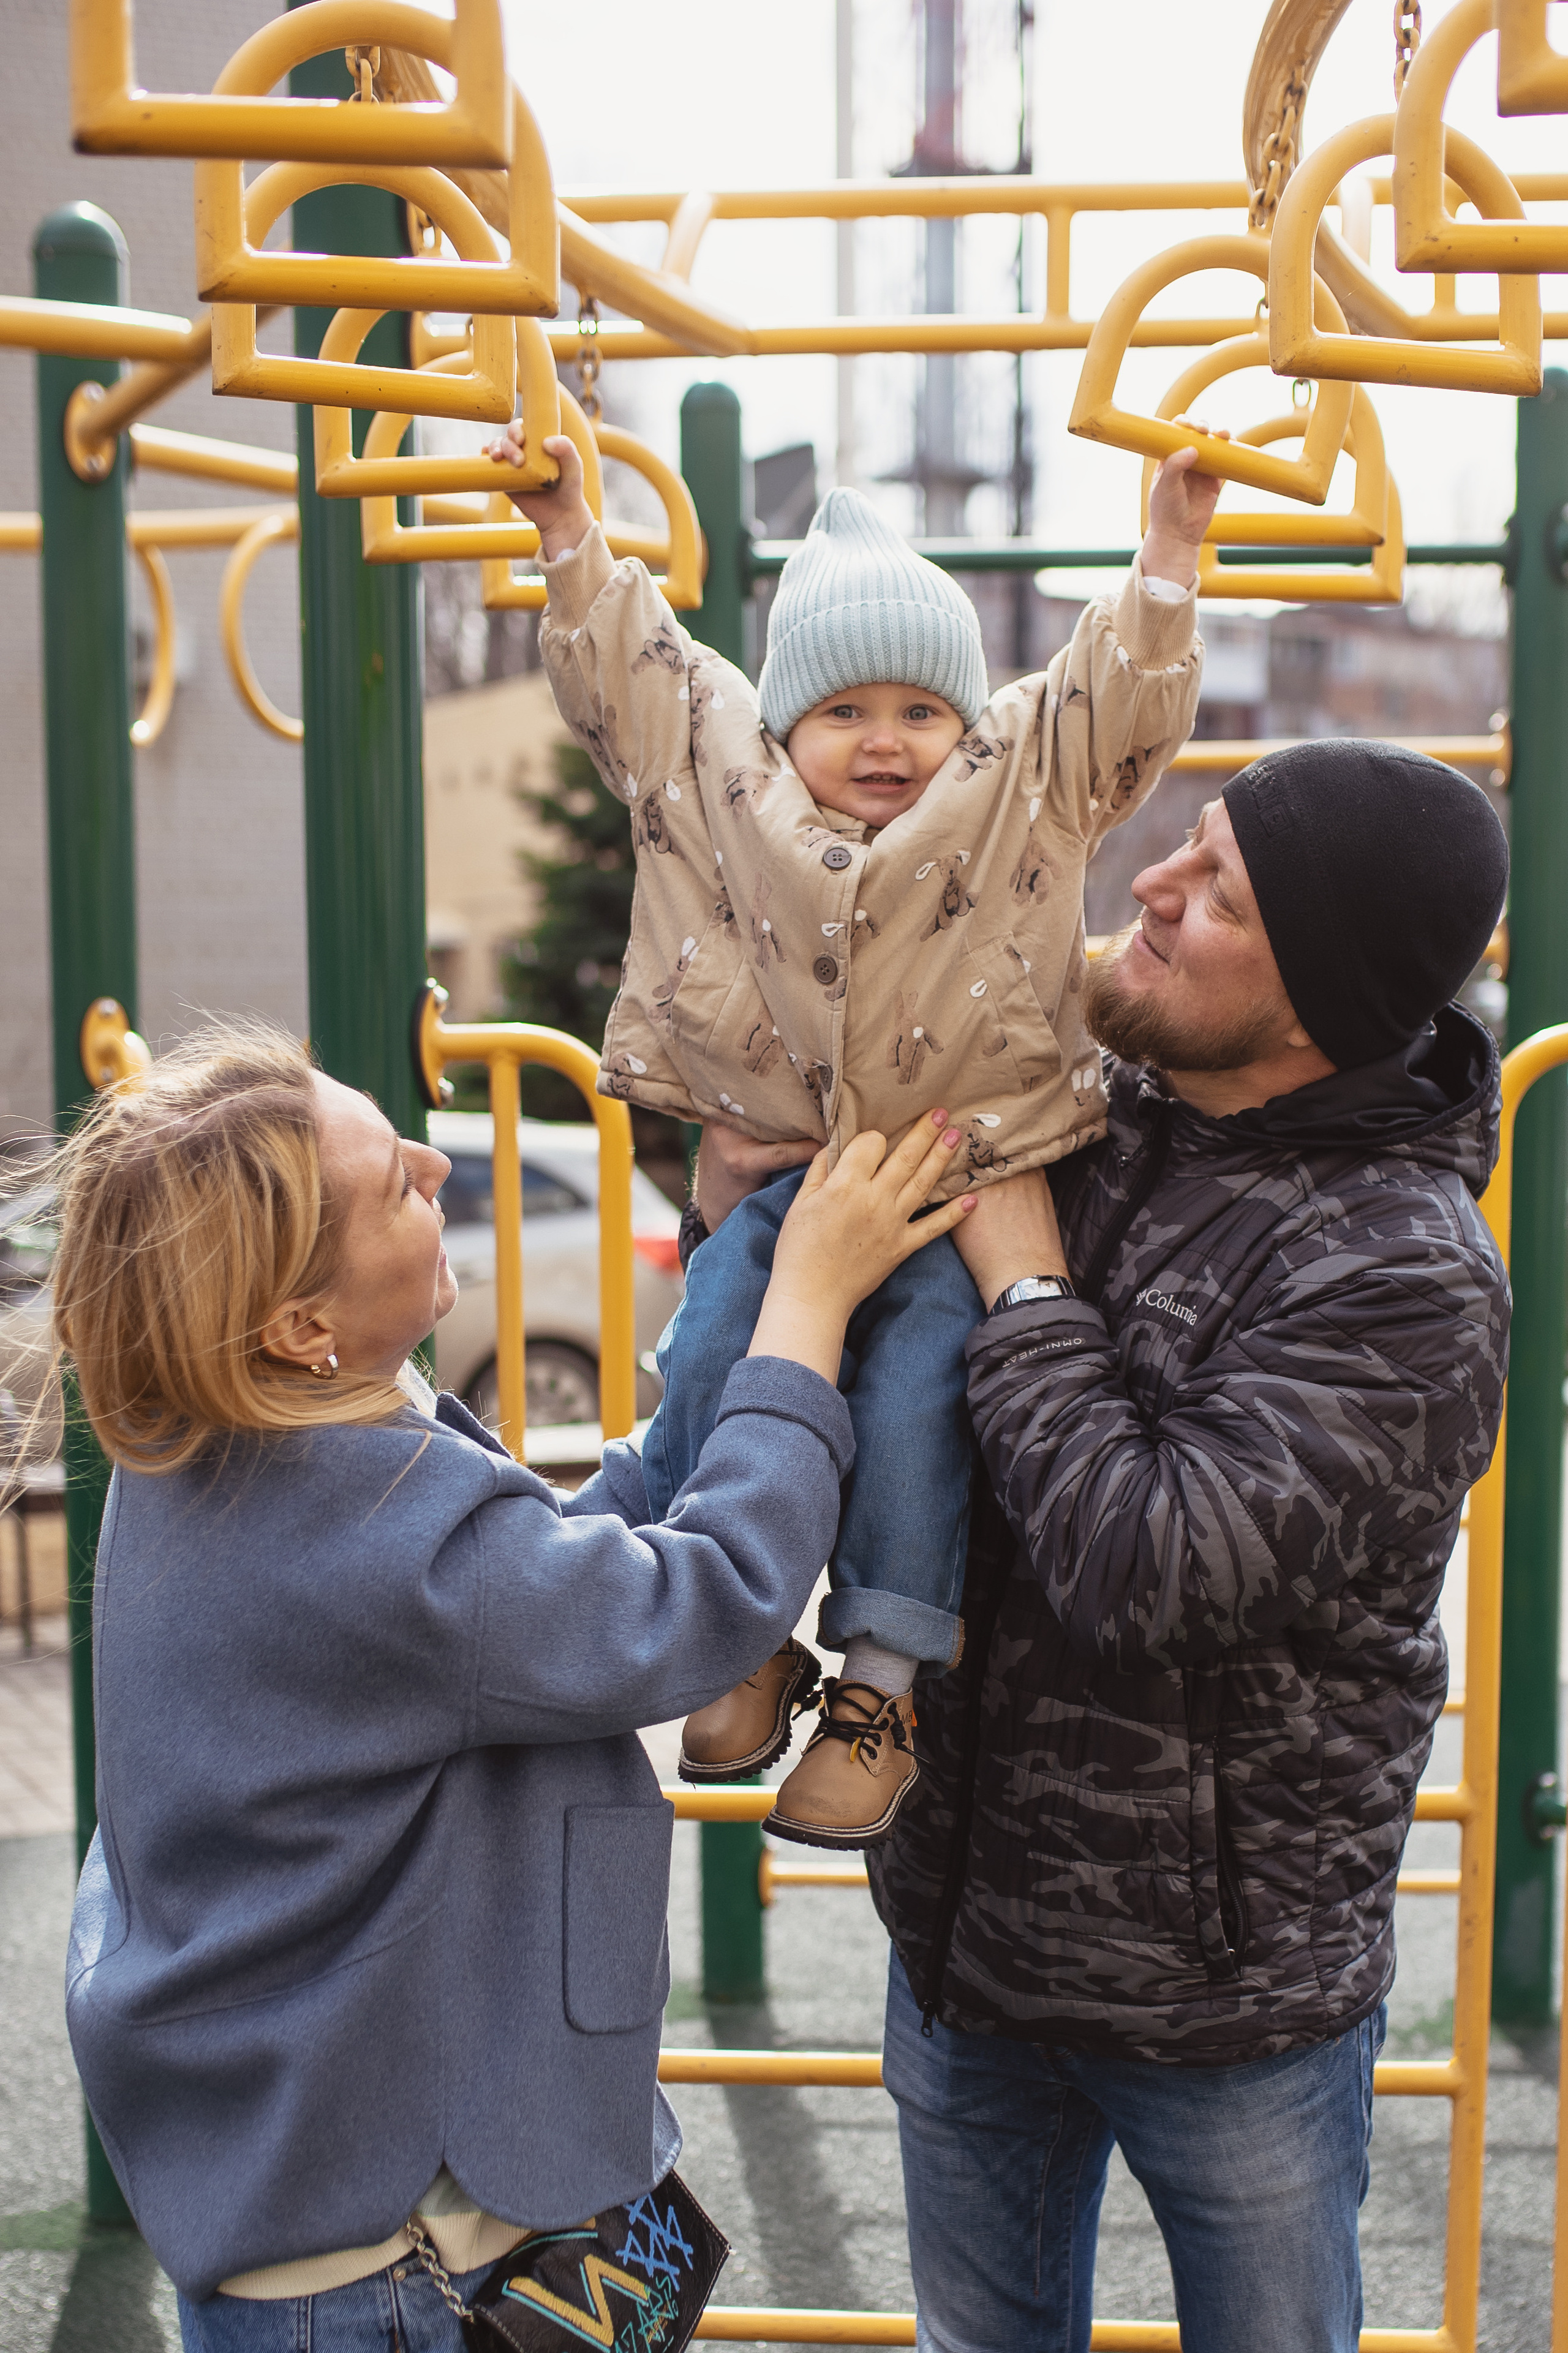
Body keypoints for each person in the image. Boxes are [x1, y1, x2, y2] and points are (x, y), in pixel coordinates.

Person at [50, 1021, 975, 2351]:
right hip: (404, 2270)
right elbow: (693, 1598)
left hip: (338, 2205)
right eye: (395, 1188)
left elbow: (539, 1587)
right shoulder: (365, 1537)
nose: (436, 1159)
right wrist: (805, 1310)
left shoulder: (216, 1454)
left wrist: (729, 1252)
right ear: (302, 1320)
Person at [854, 740, 1509, 2353]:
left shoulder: (1405, 1273)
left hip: (1226, 2000)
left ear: (1324, 1002)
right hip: (967, 1936)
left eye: (1217, 889)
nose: (1150, 884)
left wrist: (1023, 1288)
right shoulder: (1091, 1103)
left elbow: (1151, 1570)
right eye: (1185, 846)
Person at [490, 421, 1220, 1848]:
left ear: (963, 723)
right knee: (707, 1349)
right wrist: (569, 530)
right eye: (844, 713)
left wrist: (1169, 557)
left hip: (958, 1190)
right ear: (782, 726)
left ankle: (877, 1687)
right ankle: (742, 1621)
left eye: (917, 711)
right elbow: (635, 688)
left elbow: (1109, 702)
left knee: (907, 1403)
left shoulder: (1013, 788)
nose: (885, 741)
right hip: (793, 1182)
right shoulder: (731, 788)